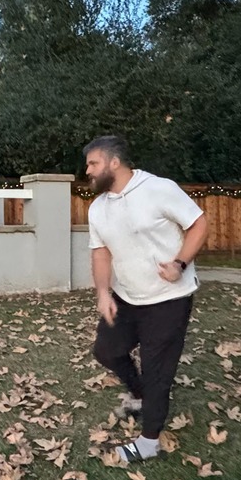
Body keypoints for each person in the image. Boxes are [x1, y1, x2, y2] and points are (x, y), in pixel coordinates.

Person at [83, 135, 209, 463]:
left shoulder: (158, 189)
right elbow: (101, 254)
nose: (88, 171)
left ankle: (150, 441)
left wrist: (180, 262)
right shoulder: (98, 208)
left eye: (93, 163)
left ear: (114, 162)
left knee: (157, 371)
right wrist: (102, 292)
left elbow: (198, 224)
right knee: (106, 350)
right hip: (127, 297)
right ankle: (140, 395)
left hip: (169, 298)